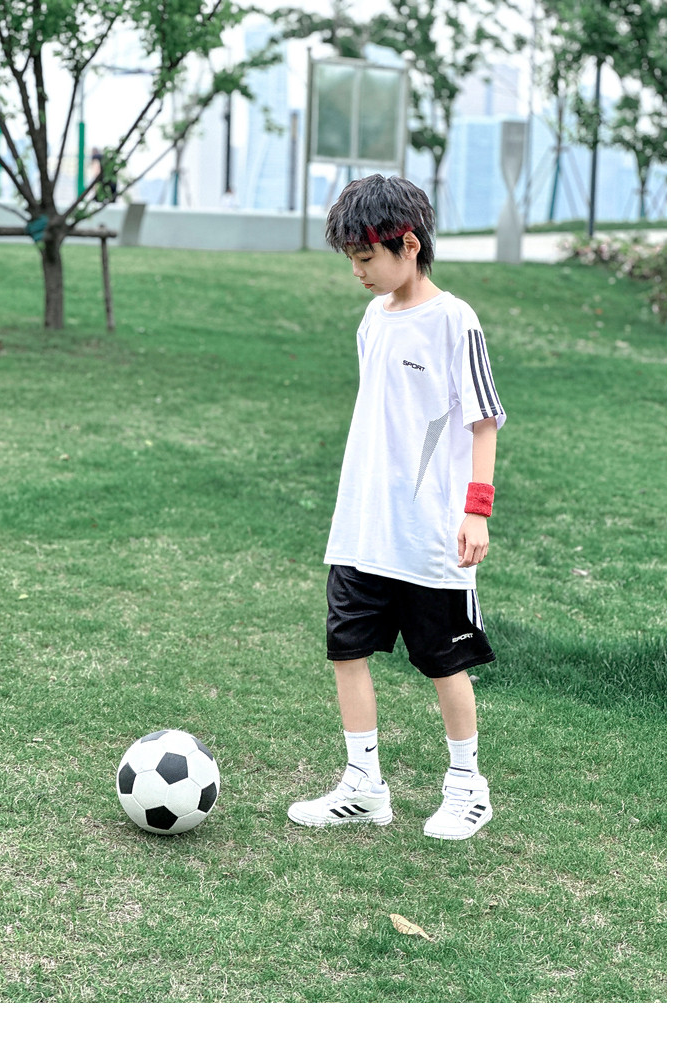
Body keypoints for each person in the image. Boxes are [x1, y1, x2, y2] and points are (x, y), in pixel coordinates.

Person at [288, 174, 506, 840]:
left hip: (429, 536)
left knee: (444, 662)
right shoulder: (372, 320)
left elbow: (483, 422)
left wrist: (476, 509)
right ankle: (363, 786)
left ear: (408, 244)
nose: (357, 272)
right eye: (351, 259)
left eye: (365, 257)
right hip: (362, 527)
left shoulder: (455, 321)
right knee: (346, 650)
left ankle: (467, 787)